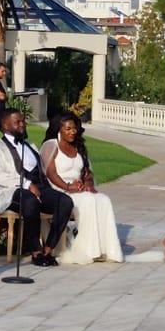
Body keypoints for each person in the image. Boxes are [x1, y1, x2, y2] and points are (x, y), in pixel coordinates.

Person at [0, 108, 73, 266]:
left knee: (65, 201)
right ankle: (36, 251)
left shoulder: (30, 146)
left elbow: (42, 171)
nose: (22, 125)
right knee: (30, 200)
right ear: (5, 125)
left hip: (39, 188)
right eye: (17, 122)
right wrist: (26, 184)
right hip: (11, 192)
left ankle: (48, 249)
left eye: (22, 122)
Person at [40, 113, 124, 264]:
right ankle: (88, 250)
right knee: (88, 201)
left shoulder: (78, 146)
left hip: (78, 188)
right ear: (59, 130)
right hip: (59, 191)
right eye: (68, 128)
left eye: (74, 128)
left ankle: (107, 250)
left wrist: (88, 183)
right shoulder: (51, 145)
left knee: (103, 200)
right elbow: (50, 173)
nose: (73, 131)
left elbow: (87, 171)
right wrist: (67, 186)